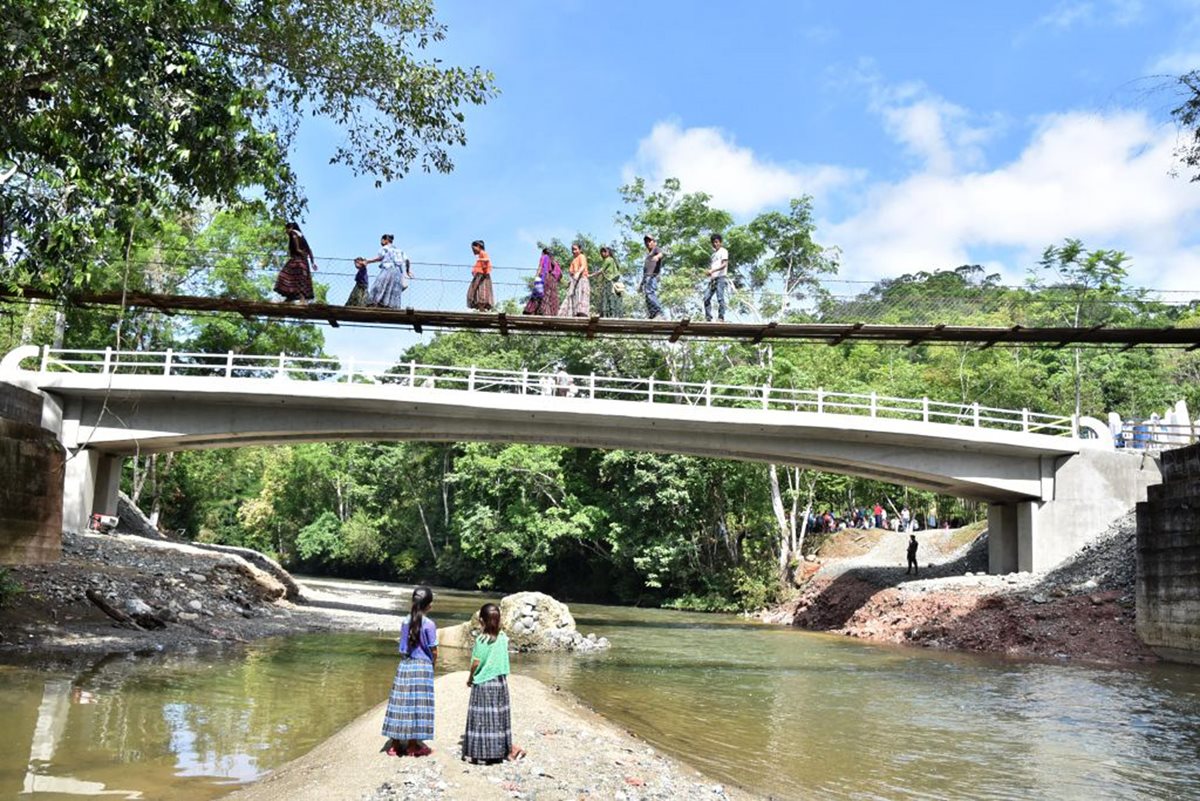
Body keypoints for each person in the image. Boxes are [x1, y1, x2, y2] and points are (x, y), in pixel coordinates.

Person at [463, 603, 525, 763]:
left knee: (481, 718)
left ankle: (480, 752)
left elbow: (476, 663)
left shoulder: (481, 639)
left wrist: (470, 678)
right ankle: (501, 750)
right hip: (499, 682)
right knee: (498, 717)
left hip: (483, 682)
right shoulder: (503, 637)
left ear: (481, 620)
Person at [381, 586, 438, 757]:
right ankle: (413, 746)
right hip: (422, 667)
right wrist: (432, 666)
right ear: (429, 605)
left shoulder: (405, 621)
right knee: (418, 706)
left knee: (401, 703)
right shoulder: (429, 624)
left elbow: (403, 648)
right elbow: (434, 651)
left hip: (406, 665)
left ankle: (394, 745)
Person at [363, 234, 412, 309]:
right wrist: (408, 271)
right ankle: (388, 306)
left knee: (379, 286)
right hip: (398, 272)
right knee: (392, 288)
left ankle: (375, 304)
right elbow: (407, 260)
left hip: (388, 269)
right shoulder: (399, 250)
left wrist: (368, 261)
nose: (381, 242)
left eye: (382, 240)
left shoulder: (384, 248)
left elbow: (380, 258)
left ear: (386, 240)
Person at [275, 222, 317, 304]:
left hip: (297, 260)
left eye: (286, 229)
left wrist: (298, 251)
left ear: (290, 227)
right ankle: (291, 298)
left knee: (285, 275)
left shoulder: (293, 233)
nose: (286, 231)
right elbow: (310, 250)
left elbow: (297, 247)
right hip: (305, 262)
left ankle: (299, 299)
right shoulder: (302, 236)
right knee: (300, 280)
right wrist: (312, 263)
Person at [558, 242, 590, 317]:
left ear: (580, 249)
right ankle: (573, 313)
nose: (573, 251)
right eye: (572, 249)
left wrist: (578, 273)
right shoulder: (573, 260)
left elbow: (583, 266)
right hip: (574, 281)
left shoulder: (581, 256)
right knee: (573, 296)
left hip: (581, 279)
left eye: (575, 249)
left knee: (581, 296)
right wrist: (569, 282)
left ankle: (582, 313)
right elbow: (571, 273)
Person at [704, 234, 729, 321]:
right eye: (713, 242)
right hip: (713, 279)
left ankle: (721, 317)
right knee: (706, 297)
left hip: (721, 277)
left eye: (716, 242)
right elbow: (713, 267)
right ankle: (708, 317)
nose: (715, 244)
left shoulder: (723, 251)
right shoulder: (713, 255)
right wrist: (710, 273)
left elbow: (724, 264)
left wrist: (713, 271)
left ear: (720, 242)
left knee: (720, 297)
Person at [593, 245, 624, 317]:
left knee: (608, 298)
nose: (602, 253)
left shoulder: (608, 259)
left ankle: (608, 314)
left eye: (604, 251)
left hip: (609, 282)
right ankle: (612, 314)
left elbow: (601, 270)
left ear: (609, 252)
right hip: (611, 282)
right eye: (601, 252)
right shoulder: (611, 260)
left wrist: (590, 275)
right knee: (610, 297)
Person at [640, 235, 665, 319]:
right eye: (646, 242)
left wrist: (657, 257)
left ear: (654, 242)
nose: (647, 243)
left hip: (652, 276)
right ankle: (652, 314)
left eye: (650, 241)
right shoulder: (648, 255)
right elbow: (645, 270)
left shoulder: (656, 249)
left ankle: (658, 313)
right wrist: (641, 284)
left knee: (650, 293)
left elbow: (661, 254)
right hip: (646, 277)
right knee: (647, 296)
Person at [467, 240, 494, 311]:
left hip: (482, 276)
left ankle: (482, 309)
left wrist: (480, 262)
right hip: (480, 276)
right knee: (479, 291)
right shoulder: (480, 255)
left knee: (481, 292)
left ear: (478, 246)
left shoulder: (483, 253)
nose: (473, 251)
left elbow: (486, 260)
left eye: (473, 248)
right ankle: (481, 309)